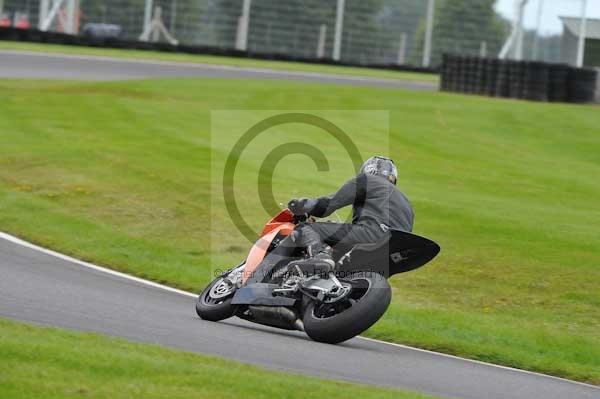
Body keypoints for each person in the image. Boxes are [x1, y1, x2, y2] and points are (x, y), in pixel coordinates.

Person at [286, 155, 414, 276]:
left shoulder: (367, 180)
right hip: (398, 248)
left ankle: (320, 257)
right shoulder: (406, 202)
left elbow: (327, 206)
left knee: (305, 229)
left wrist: (302, 205)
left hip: (372, 234)